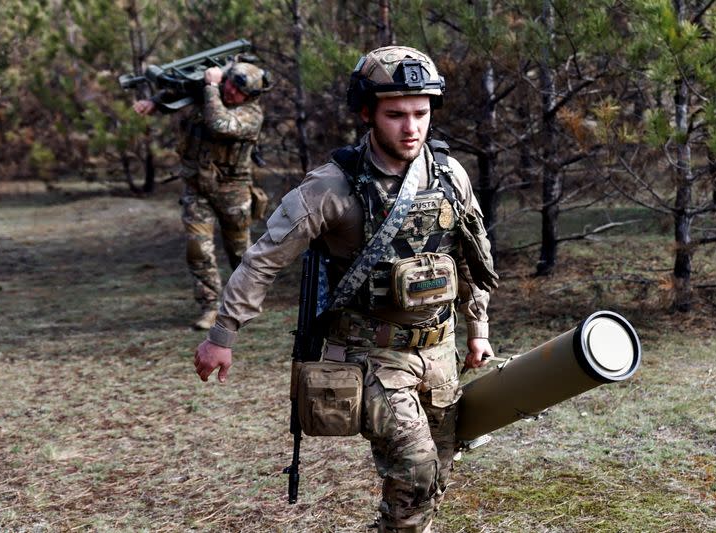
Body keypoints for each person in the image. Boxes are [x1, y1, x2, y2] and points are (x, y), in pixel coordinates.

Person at [193, 46, 496, 532]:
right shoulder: (331, 188)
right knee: (416, 471)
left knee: (434, 478)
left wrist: (477, 329)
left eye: (421, 113)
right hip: (370, 357)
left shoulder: (450, 176)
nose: (411, 127)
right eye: (395, 114)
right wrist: (222, 335)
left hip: (439, 352)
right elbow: (263, 259)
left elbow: (470, 260)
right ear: (366, 114)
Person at [134, 60, 269, 330]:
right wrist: (155, 102)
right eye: (230, 84)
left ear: (251, 96)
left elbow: (219, 123)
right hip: (197, 187)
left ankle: (246, 303)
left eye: (238, 91)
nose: (231, 92)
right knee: (198, 249)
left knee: (240, 251)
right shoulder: (211, 91)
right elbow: (179, 89)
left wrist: (212, 86)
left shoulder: (250, 114)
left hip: (233, 191)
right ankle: (210, 307)